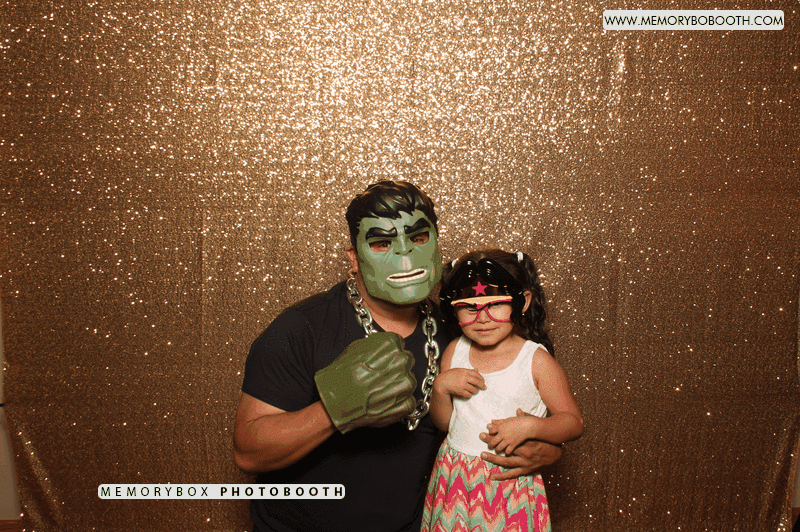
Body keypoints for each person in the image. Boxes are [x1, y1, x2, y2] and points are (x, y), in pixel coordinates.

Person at [233, 182, 563, 532]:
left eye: (418, 238)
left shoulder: (464, 332)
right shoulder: (303, 327)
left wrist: (547, 449)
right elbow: (248, 452)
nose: (405, 256)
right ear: (353, 258)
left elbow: (514, 410)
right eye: (381, 243)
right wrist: (334, 407)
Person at [423, 249, 584, 532]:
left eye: (496, 304)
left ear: (523, 301)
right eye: (469, 307)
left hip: (510, 486)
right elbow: (445, 423)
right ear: (453, 307)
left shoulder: (536, 361)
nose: (483, 318)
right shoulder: (455, 351)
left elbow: (573, 423)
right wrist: (440, 388)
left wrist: (531, 426)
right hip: (455, 479)